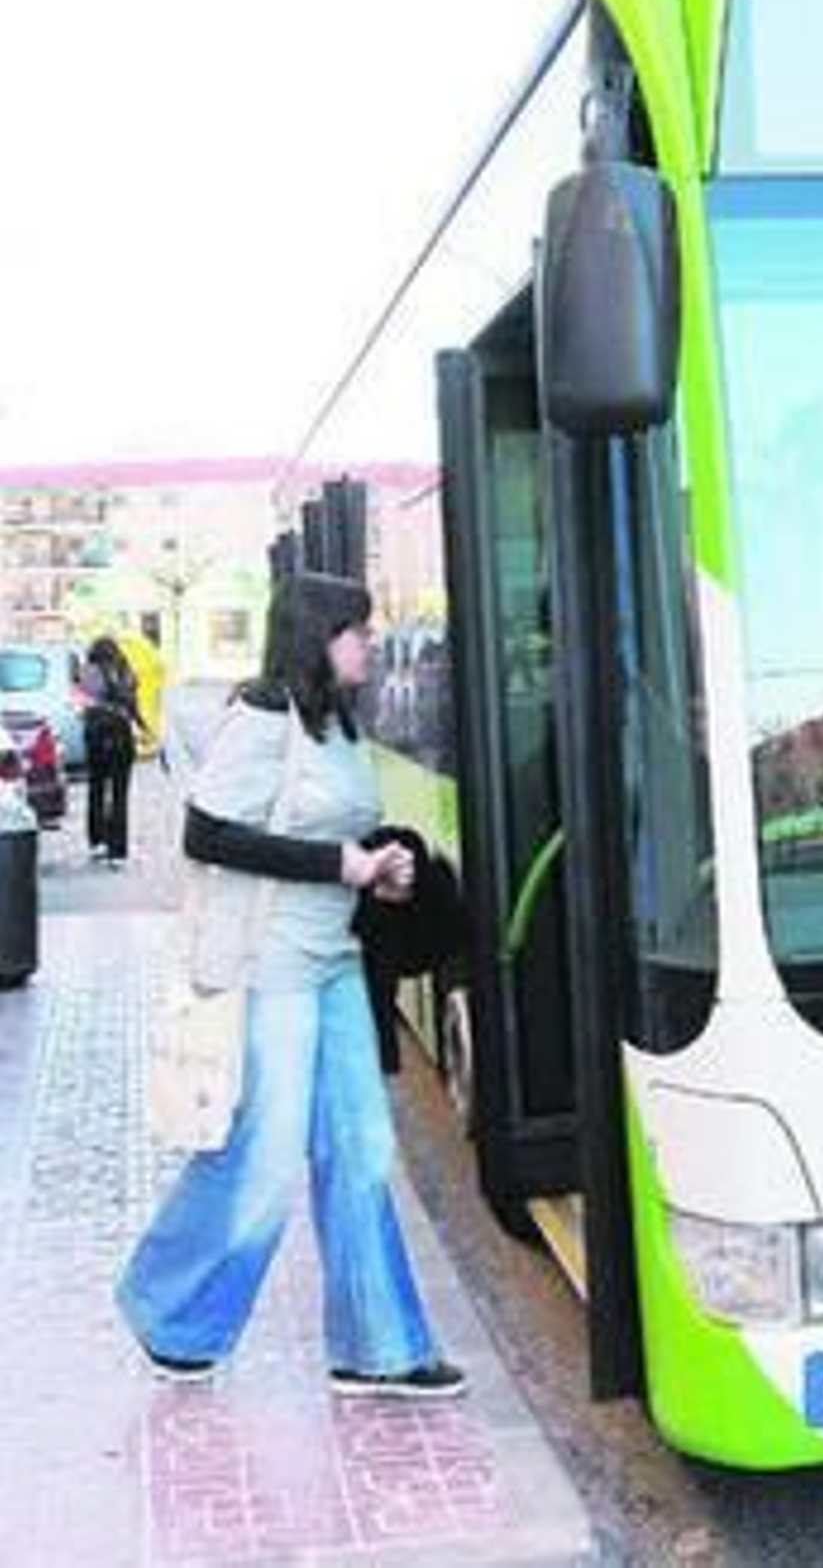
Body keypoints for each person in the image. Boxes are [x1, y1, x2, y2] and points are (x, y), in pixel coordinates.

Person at [116, 572, 466, 1400]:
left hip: (335, 961)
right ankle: (173, 1316)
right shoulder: (264, 717)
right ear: (319, 636)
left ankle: (378, 1347)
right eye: (358, 630)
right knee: (264, 1159)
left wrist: (383, 868)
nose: (372, 643)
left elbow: (338, 829)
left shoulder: (340, 722)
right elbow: (204, 833)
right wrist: (336, 863)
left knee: (362, 1153)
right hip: (270, 971)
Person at [81, 634, 145, 867]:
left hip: (96, 734)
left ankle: (97, 843)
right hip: (120, 734)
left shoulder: (88, 671)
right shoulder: (126, 670)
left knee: (96, 789)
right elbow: (133, 703)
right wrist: (142, 726)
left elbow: (86, 696)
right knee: (120, 795)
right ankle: (117, 853)